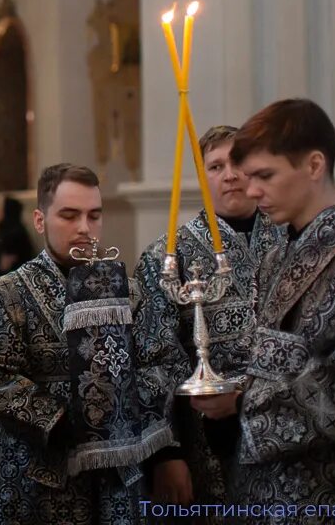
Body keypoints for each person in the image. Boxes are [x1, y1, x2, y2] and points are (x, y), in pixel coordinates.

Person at [192, 99, 335, 518]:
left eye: (265, 176)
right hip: (262, 491)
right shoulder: (275, 258)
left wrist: (242, 406)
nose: (250, 191)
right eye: (248, 178)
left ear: (314, 165)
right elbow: (271, 360)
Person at [0, 164, 172, 524]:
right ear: (40, 220)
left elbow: (164, 360)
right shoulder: (8, 292)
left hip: (116, 477)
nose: (84, 228)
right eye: (70, 215)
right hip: (35, 475)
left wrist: (126, 408)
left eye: (94, 215)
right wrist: (56, 420)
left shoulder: (130, 291)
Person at [133, 125, 285, 510]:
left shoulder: (290, 241)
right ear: (201, 179)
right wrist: (166, 454)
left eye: (237, 162)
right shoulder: (168, 256)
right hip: (206, 443)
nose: (230, 174)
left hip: (285, 434)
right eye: (215, 166)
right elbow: (153, 359)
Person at [0, 196, 36, 275]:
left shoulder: (16, 235)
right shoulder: (2, 231)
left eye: (0, 209)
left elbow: (4, 267)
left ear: (7, 211)